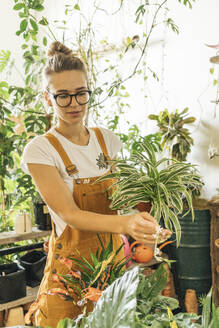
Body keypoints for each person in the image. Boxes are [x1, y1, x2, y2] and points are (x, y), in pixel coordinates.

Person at [21, 41, 170, 327]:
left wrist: (145, 223)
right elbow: (70, 214)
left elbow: (122, 202)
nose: (74, 104)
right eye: (62, 96)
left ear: (89, 91)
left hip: (111, 268)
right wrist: (127, 224)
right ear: (47, 98)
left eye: (80, 94)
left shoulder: (107, 140)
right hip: (69, 274)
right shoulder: (41, 149)